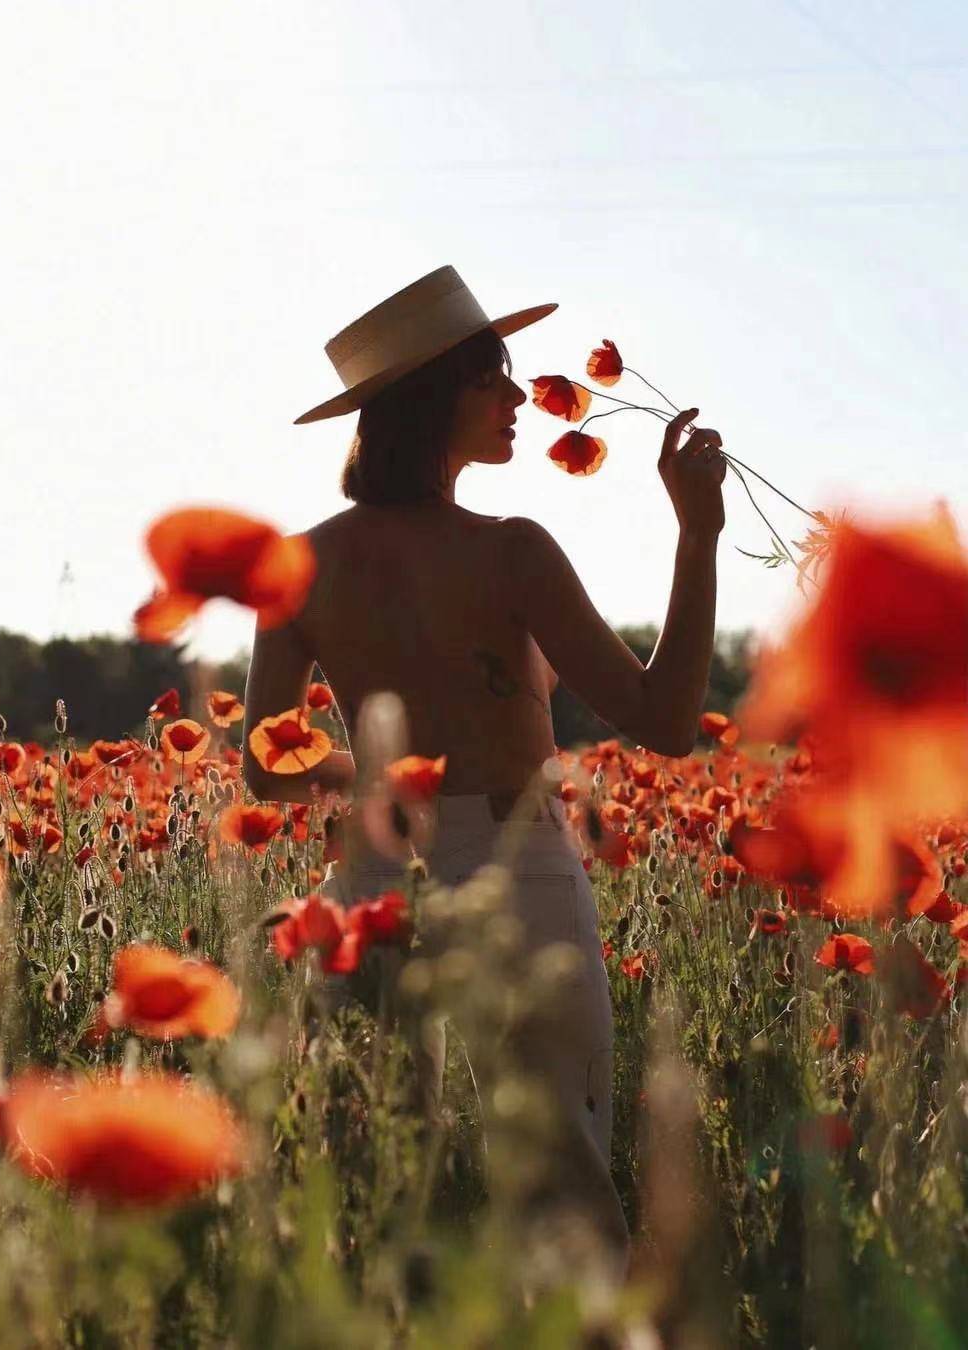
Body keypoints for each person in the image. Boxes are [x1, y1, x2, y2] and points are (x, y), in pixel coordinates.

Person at [243, 265, 725, 1271]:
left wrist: (380, 778)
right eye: (494, 379)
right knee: (566, 1192)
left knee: (378, 1188)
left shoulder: (300, 566)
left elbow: (266, 765)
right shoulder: (513, 553)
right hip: (521, 875)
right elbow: (668, 722)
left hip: (375, 884)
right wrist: (697, 536)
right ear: (432, 400)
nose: (517, 400)